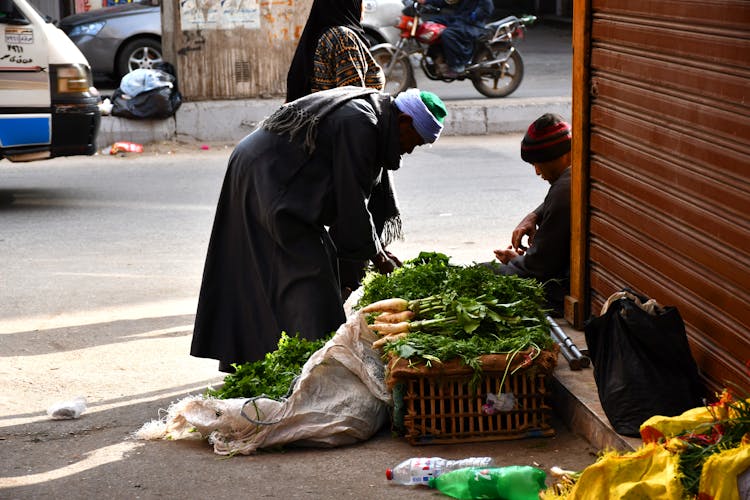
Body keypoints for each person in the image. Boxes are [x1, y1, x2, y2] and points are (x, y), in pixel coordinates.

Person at [191, 86, 448, 372]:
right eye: (415, 141)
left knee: (271, 272)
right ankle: (317, 369)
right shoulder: (362, 123)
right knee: (311, 278)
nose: (409, 150)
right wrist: (378, 257)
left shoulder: (373, 111)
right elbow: (352, 200)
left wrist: (375, 248)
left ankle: (268, 362)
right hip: (269, 174)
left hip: (263, 166)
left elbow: (346, 198)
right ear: (403, 122)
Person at [490, 113, 571, 316]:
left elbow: (538, 267)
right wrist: (534, 215)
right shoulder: (573, 176)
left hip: (561, 289)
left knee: (485, 273)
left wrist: (513, 260)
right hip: (557, 272)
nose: (537, 172)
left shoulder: (563, 189)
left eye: (540, 163)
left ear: (563, 155)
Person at [285, 0, 384, 102]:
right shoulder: (343, 38)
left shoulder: (327, 34)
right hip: (337, 116)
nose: (364, 7)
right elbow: (354, 100)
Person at [417, 0, 494, 77]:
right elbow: (446, 1)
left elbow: (487, 8)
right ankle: (437, 56)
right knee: (432, 23)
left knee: (448, 34)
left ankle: (457, 64)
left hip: (473, 24)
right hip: (458, 19)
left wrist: (473, 16)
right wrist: (426, 1)